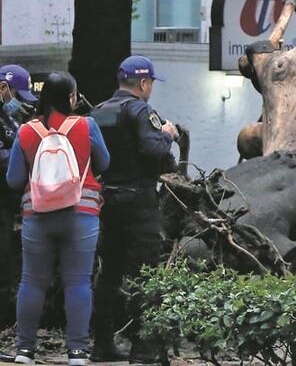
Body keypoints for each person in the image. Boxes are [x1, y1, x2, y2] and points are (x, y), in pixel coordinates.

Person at [5, 72, 109, 366]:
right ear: (71, 97)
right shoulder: (86, 125)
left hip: (37, 217)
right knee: (78, 283)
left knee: (33, 282)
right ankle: (76, 352)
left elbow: (13, 180)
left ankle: (24, 351)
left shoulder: (27, 131)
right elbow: (105, 163)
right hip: (82, 215)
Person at [90, 55, 179, 363]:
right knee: (146, 274)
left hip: (108, 200)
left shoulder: (99, 112)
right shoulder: (140, 110)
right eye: (151, 83)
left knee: (109, 273)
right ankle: (143, 348)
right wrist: (167, 134)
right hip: (139, 202)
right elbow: (154, 150)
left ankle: (101, 344)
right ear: (143, 83)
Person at [0, 65, 37, 326]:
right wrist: (23, 158)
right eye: (17, 97)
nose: (20, 104)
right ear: (3, 88)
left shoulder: (10, 117)